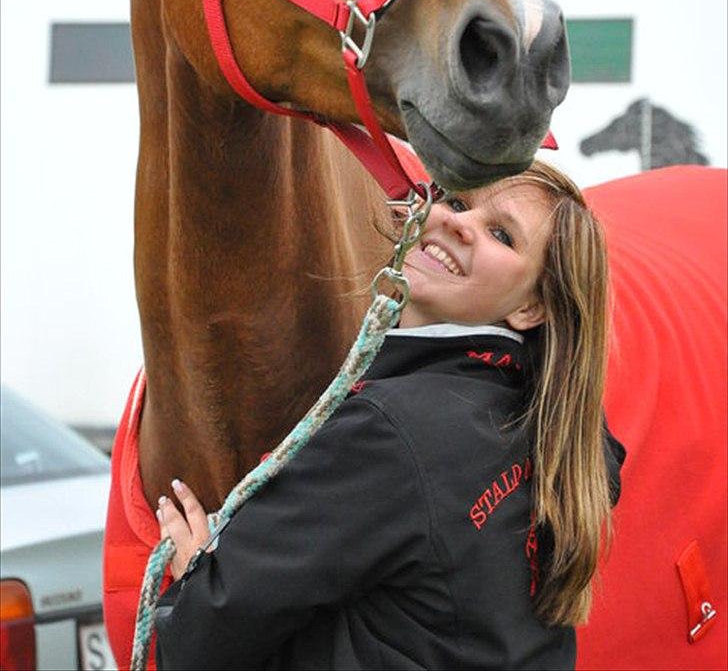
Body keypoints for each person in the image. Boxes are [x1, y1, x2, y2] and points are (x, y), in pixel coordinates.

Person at [154, 161, 625, 670]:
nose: (459, 222)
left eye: (502, 235)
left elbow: (207, 637)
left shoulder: (389, 432)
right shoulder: (560, 429)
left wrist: (199, 582)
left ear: (531, 309)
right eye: (458, 202)